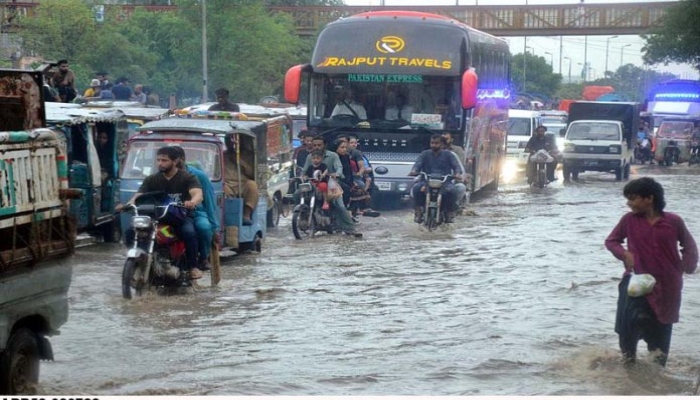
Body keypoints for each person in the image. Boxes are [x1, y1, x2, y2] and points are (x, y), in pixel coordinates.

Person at [605, 177, 697, 367]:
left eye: (633, 198)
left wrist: (685, 267)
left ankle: (657, 382)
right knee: (628, 326)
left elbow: (689, 246)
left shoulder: (673, 221)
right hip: (637, 282)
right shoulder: (629, 220)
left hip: (667, 285)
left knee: (661, 332)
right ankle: (628, 369)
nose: (629, 203)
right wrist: (624, 254)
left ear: (649, 198)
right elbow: (611, 241)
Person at [118, 146, 204, 280]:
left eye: (164, 160)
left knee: (189, 232)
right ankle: (139, 261)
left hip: (178, 217)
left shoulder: (188, 177)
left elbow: (198, 194)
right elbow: (138, 195)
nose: (160, 163)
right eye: (158, 160)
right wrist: (128, 204)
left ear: (175, 161)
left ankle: (193, 267)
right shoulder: (151, 179)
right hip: (155, 217)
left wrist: (192, 201)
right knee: (130, 231)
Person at [302, 136, 362, 237]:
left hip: (331, 182)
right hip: (314, 183)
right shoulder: (310, 157)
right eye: (315, 145)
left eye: (319, 145)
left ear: (324, 145)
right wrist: (303, 176)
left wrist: (336, 173)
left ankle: (350, 229)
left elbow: (339, 167)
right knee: (298, 194)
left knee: (340, 205)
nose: (317, 147)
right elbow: (305, 170)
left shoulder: (333, 156)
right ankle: (303, 218)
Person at [172, 146, 219, 271]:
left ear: (182, 159)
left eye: (175, 160)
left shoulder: (199, 176)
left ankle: (203, 258)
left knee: (204, 228)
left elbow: (208, 201)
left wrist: (214, 228)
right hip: (172, 212)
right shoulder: (162, 176)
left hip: (196, 212)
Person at [409, 134, 464, 223]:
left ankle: (449, 212)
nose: (434, 145)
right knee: (416, 188)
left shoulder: (449, 155)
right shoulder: (425, 154)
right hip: (426, 181)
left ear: (442, 144)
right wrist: (414, 171)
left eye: (436, 143)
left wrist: (457, 174)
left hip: (445, 182)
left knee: (453, 191)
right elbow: (417, 165)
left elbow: (456, 166)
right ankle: (418, 210)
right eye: (432, 143)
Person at [223, 135, 258, 225]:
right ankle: (229, 215)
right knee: (223, 189)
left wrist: (239, 161)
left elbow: (253, 173)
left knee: (252, 185)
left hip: (243, 183)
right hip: (227, 182)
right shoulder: (223, 155)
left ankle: (246, 215)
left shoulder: (249, 156)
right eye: (229, 141)